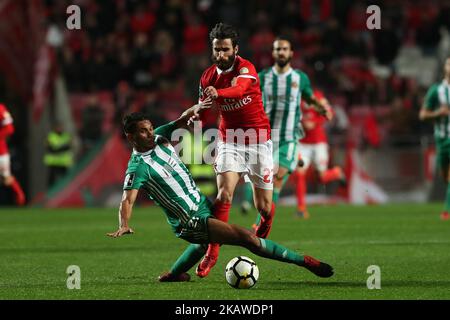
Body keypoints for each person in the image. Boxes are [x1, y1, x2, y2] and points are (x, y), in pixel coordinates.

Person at [106, 109, 334, 283]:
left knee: (206, 243)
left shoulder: (159, 138)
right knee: (246, 238)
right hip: (190, 220)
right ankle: (304, 261)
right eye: (143, 131)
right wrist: (124, 223)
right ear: (130, 136)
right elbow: (128, 199)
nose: (149, 133)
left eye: (150, 128)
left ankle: (175, 274)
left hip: (201, 205)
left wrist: (199, 106)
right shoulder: (137, 168)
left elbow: (181, 121)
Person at [189, 23, 275, 278]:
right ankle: (212, 251)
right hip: (230, 140)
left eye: (225, 49)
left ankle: (266, 220)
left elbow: (238, 90)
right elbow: (203, 108)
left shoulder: (246, 68)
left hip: (258, 140)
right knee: (224, 194)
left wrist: (218, 93)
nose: (221, 54)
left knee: (265, 206)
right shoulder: (206, 77)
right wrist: (196, 115)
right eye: (217, 49)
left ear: (235, 49)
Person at [240, 37, 330, 217]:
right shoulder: (263, 77)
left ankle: (259, 224)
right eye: (278, 49)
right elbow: (249, 98)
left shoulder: (300, 78)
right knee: (263, 180)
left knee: (278, 177)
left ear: (291, 53)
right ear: (273, 53)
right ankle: (258, 214)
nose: (281, 52)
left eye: (284, 49)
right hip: (265, 137)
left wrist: (320, 107)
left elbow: (309, 98)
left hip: (289, 137)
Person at [294, 89, 346, 218]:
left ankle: (336, 173)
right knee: (299, 173)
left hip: (318, 143)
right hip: (302, 143)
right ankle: (301, 209)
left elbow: (330, 113)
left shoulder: (317, 97)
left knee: (321, 178)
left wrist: (315, 123)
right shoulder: (293, 98)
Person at [419, 57, 450, 220]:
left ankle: (447, 211)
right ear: (445, 68)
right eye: (449, 63)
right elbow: (423, 114)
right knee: (446, 177)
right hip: (442, 140)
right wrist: (439, 113)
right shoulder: (436, 90)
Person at [0, 103, 25, 205]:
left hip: (1, 152)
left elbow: (9, 128)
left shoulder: (0, 108)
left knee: (6, 177)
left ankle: (20, 197)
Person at [44, 123, 74, 187]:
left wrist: (58, 149)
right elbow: (49, 148)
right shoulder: (51, 136)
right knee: (52, 179)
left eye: (61, 127)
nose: (60, 129)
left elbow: (70, 146)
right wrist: (61, 149)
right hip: (53, 162)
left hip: (64, 162)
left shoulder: (66, 136)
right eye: (58, 127)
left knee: (65, 180)